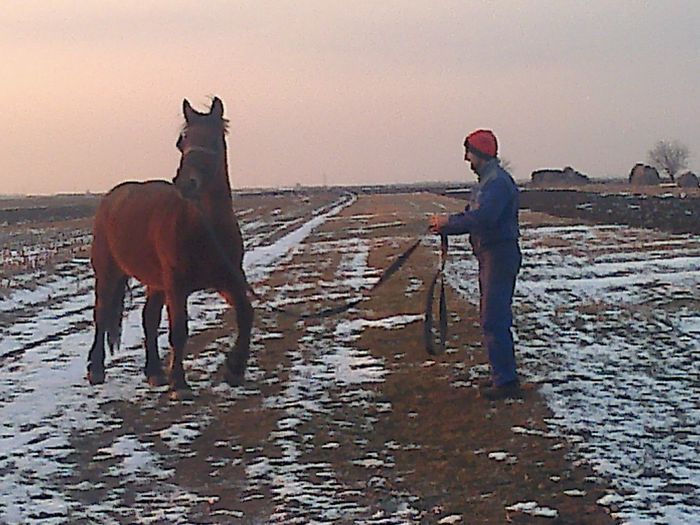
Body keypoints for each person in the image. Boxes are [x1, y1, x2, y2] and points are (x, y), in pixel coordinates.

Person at [429, 129, 522, 401]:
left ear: (480, 154)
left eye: (469, 153)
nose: (466, 159)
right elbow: (472, 215)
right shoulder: (488, 182)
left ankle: (505, 382)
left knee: (493, 318)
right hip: (491, 255)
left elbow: (484, 219)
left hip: (499, 256)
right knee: (492, 317)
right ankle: (501, 375)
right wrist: (446, 224)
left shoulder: (495, 184)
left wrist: (448, 223)